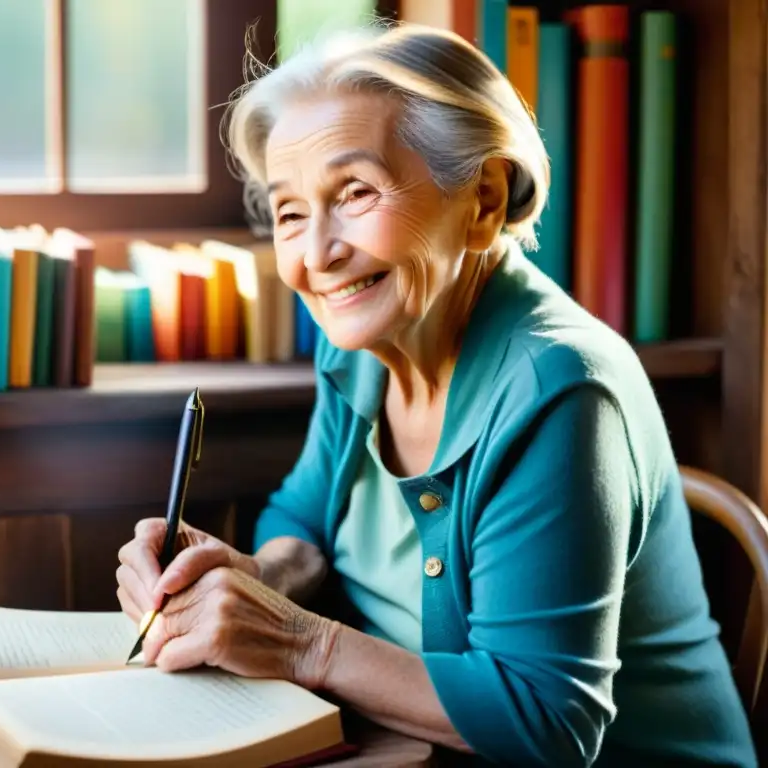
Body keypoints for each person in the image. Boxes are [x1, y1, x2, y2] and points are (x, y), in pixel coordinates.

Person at [115, 21, 758, 767]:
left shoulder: (559, 391)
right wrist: (256, 576)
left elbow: (547, 721)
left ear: (483, 198)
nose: (318, 255)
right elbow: (306, 511)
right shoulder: (362, 340)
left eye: (354, 192)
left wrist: (296, 639)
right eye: (291, 211)